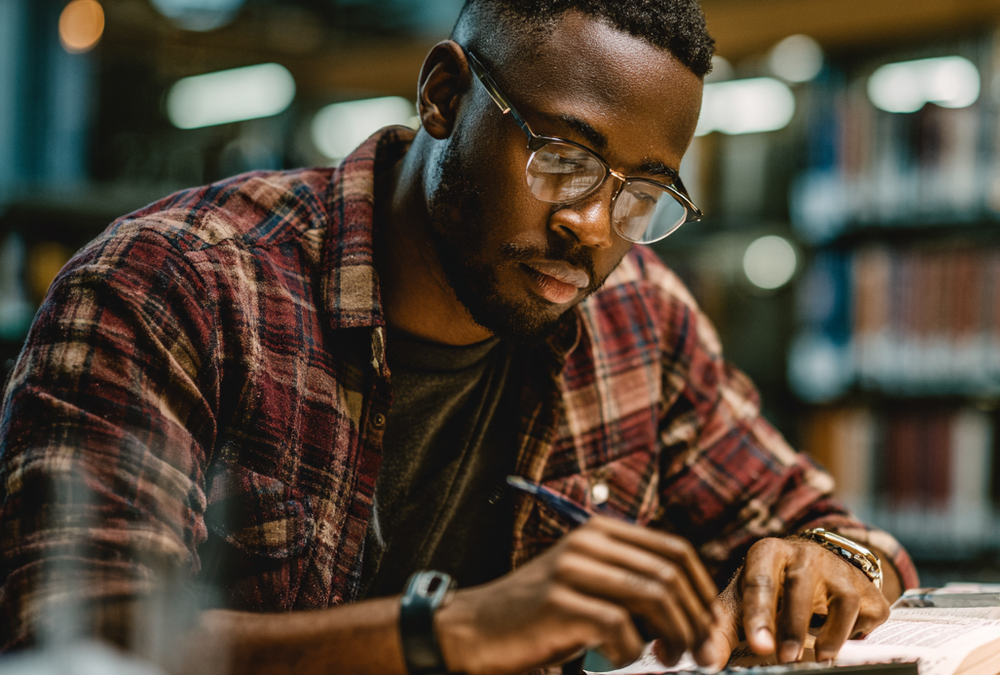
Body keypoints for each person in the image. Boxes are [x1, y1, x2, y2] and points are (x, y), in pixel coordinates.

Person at [0, 1, 919, 673]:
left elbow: (842, 533)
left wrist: (833, 558)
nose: (594, 225)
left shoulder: (640, 316)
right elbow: (77, 640)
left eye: (641, 194)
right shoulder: (173, 288)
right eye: (561, 158)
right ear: (443, 96)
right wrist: (450, 631)